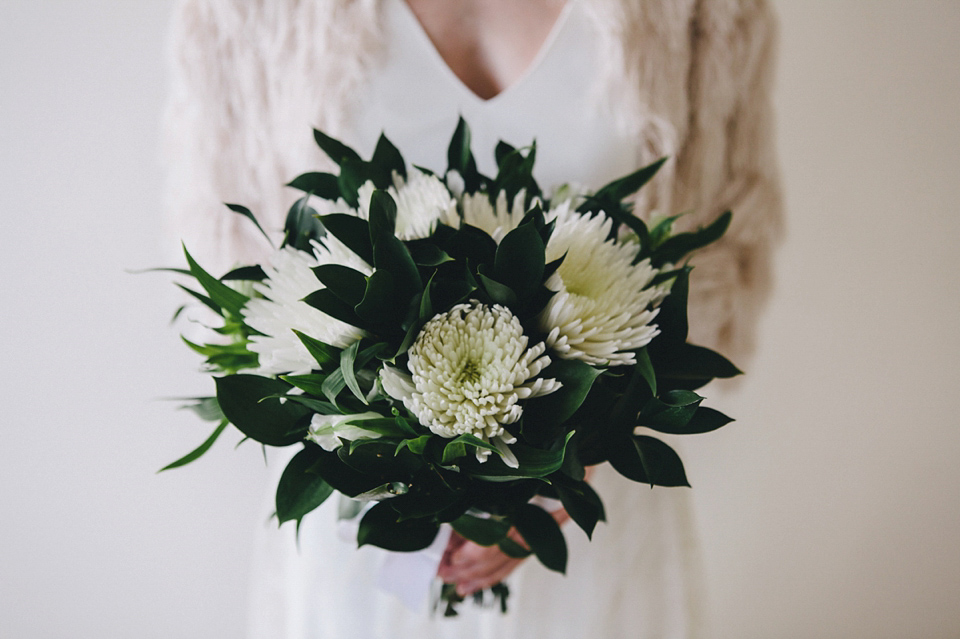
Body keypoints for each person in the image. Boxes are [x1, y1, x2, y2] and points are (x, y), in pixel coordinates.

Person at [164, 1, 782, 637]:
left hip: (590, 508)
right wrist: (383, 448)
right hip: (368, 517)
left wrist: (575, 458)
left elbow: (719, 247)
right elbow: (239, 260)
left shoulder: (706, 13)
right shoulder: (247, 13)